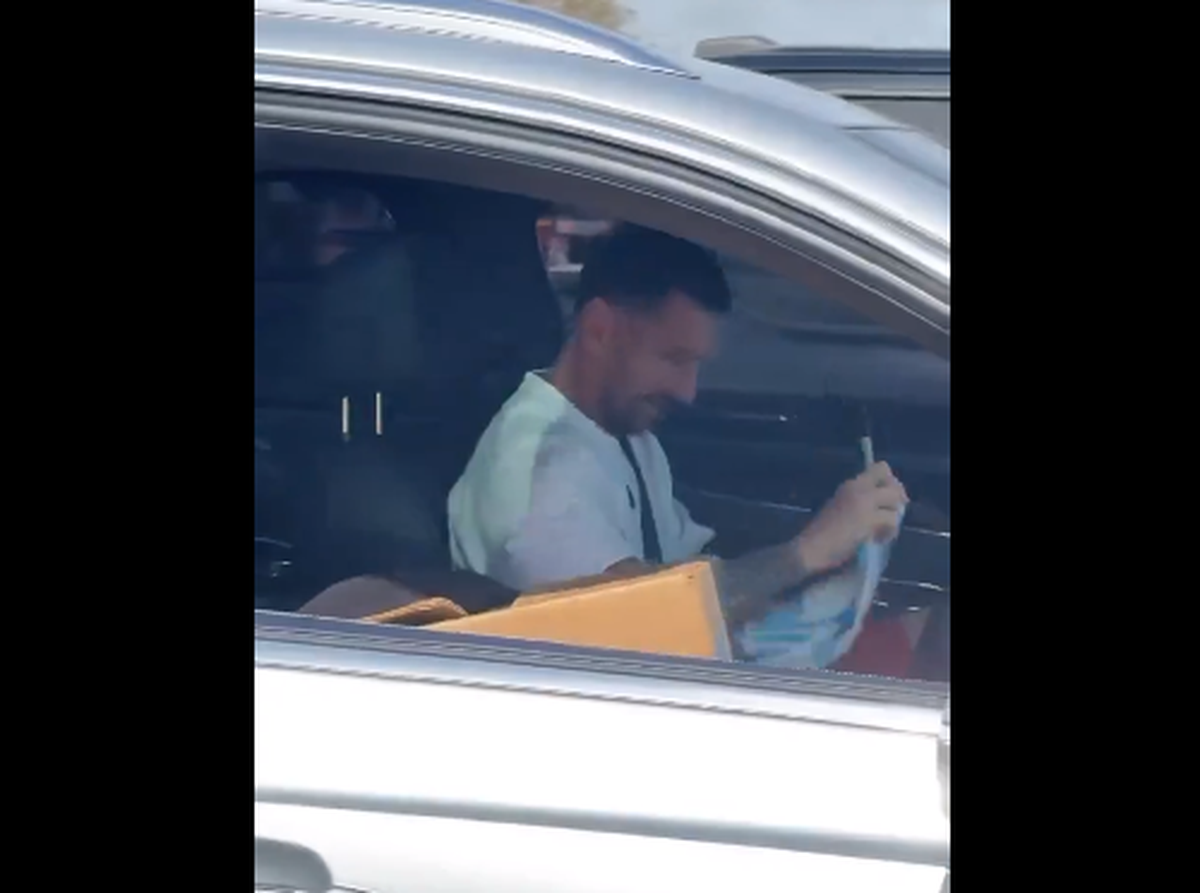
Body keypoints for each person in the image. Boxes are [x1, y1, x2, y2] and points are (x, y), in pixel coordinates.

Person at [447, 225, 913, 669]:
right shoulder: (539, 478)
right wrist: (808, 552)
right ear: (599, 330)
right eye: (674, 358)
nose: (688, 391)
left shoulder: (622, 434)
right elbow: (639, 618)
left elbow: (686, 570)